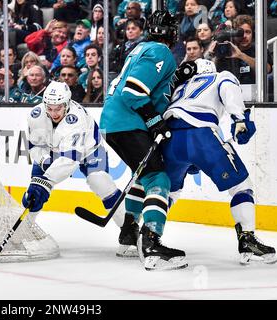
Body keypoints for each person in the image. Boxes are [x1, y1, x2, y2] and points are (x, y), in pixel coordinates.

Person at [162, 58, 277, 265]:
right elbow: (228, 90)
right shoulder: (220, 76)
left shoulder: (181, 86)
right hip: (201, 135)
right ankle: (247, 240)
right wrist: (240, 119)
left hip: (169, 138)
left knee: (169, 192)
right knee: (242, 186)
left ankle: (148, 235)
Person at [100, 10, 188, 271]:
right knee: (158, 179)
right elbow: (134, 91)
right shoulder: (161, 52)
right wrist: (154, 121)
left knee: (143, 177)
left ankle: (128, 234)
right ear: (172, 32)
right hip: (128, 122)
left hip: (114, 121)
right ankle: (151, 244)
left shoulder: (140, 49)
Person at [22, 81, 133, 258]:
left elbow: (70, 160)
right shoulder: (36, 115)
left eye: (58, 108)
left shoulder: (77, 118)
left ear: (67, 104)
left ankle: (130, 232)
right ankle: (23, 232)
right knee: (34, 191)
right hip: (52, 150)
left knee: (100, 182)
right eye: (49, 108)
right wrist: (44, 163)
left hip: (89, 150)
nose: (53, 113)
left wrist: (47, 181)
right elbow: (35, 145)